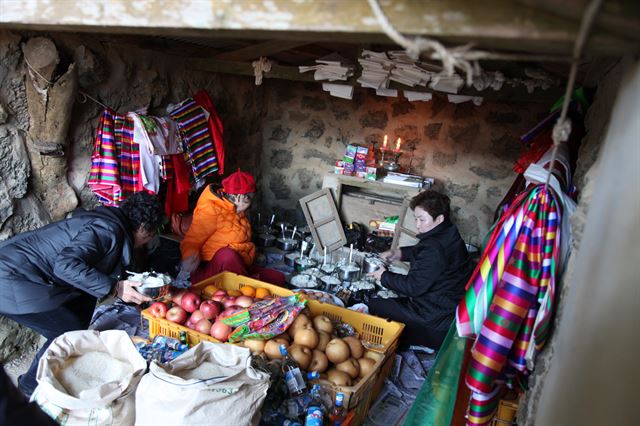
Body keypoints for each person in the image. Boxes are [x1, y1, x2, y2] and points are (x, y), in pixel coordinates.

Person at [0, 192, 165, 396]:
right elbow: (65, 266)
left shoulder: (108, 222)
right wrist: (116, 288)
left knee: (82, 306)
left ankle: (60, 364)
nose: (148, 240)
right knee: (63, 329)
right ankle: (29, 388)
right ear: (142, 228)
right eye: (151, 234)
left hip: (18, 269)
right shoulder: (107, 229)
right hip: (10, 278)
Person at [367, 190, 473, 350]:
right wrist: (399, 253)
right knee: (392, 301)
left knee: (374, 305)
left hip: (433, 319)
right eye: (415, 219)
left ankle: (415, 343)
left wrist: (384, 276)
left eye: (422, 220)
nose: (417, 225)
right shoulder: (448, 233)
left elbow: (413, 287)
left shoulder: (434, 248)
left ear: (439, 218)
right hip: (447, 310)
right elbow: (425, 252)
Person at [180, 169, 284, 285]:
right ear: (239, 197)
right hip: (211, 272)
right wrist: (189, 257)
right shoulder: (211, 210)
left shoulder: (237, 208)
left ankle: (247, 283)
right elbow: (191, 240)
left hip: (237, 266)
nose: (251, 203)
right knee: (226, 255)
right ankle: (245, 286)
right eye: (249, 198)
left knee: (278, 278)